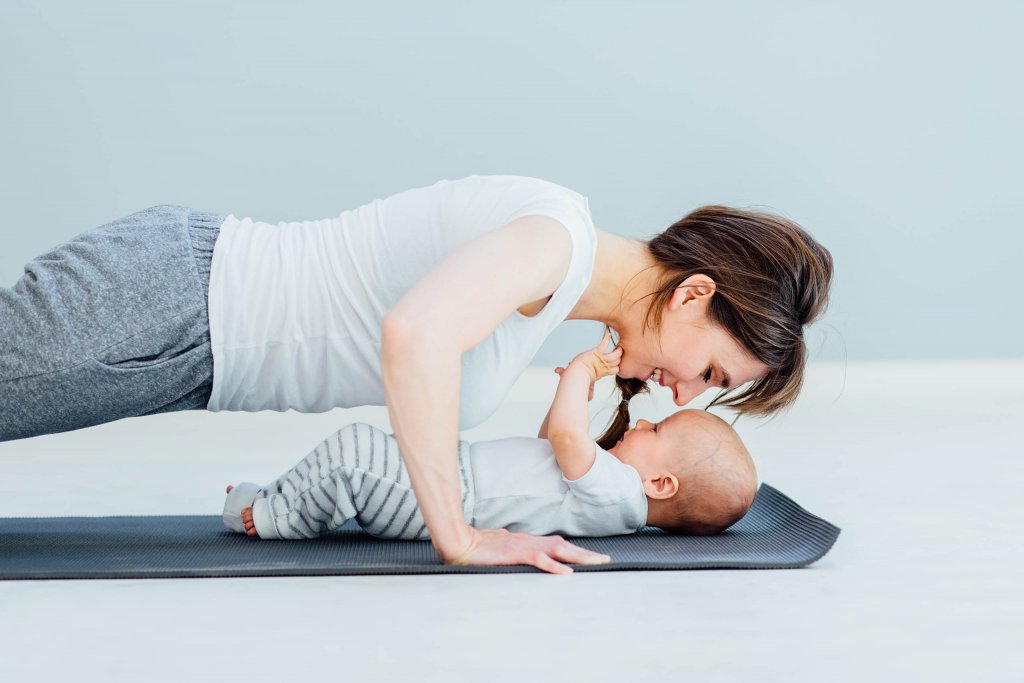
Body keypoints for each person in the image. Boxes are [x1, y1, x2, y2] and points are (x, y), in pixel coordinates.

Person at [0, 174, 832, 572]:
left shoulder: (558, 282)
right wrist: (459, 537)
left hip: (191, 348)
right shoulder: (555, 241)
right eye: (710, 369)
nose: (686, 394)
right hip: (177, 300)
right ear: (694, 293)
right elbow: (415, 334)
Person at [222, 334, 758, 568]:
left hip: (447, 501)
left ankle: (270, 514)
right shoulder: (611, 489)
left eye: (655, 431)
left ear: (660, 484)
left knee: (353, 453)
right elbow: (554, 443)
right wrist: (568, 394)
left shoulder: (618, 493)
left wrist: (579, 373)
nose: (641, 421)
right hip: (449, 479)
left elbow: (571, 441)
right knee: (368, 457)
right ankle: (286, 497)